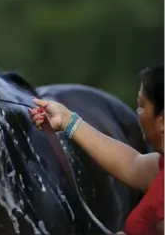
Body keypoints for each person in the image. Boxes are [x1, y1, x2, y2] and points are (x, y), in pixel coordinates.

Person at [29, 66, 164, 235]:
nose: (137, 112)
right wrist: (67, 120)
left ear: (162, 121)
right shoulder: (159, 167)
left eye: (142, 106)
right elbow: (132, 165)